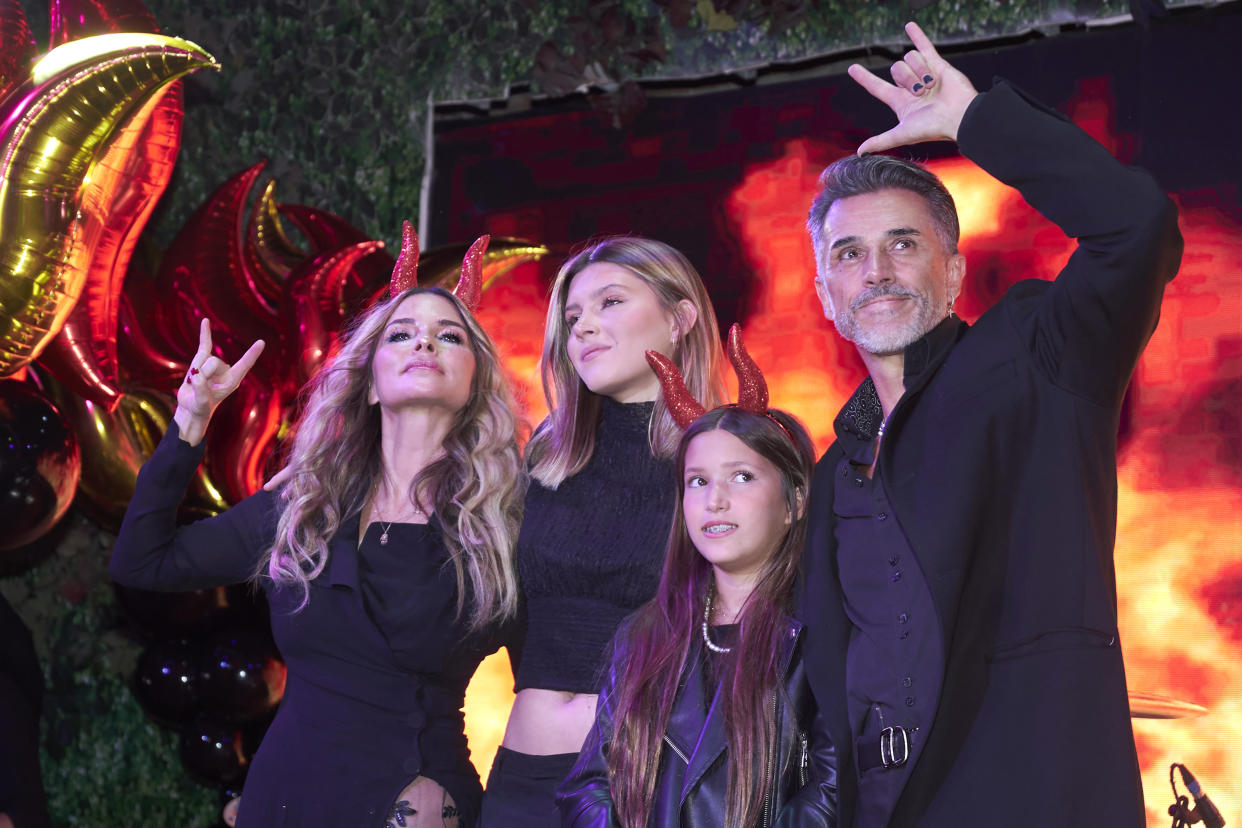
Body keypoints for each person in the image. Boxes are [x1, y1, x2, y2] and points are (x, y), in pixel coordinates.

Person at [795, 22, 1183, 828]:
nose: (877, 272)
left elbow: (1134, 226)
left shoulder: (1040, 358)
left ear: (954, 269)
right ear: (828, 295)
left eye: (903, 244)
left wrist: (973, 120)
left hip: (1032, 796)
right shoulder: (833, 470)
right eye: (849, 255)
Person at [110, 228, 525, 828]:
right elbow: (140, 562)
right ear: (371, 384)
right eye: (401, 334)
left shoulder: (504, 528)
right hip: (288, 799)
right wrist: (189, 424)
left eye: (449, 335)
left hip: (418, 807)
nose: (424, 344)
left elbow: (552, 685)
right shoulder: (303, 511)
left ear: (475, 383)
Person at [479, 237, 726, 825]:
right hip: (523, 777)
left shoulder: (723, 461)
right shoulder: (540, 463)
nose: (584, 327)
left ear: (680, 317)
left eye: (610, 302)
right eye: (572, 317)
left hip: (649, 781)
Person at [556, 327, 836, 828]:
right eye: (698, 481)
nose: (715, 500)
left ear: (795, 501)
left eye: (742, 477)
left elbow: (835, 793)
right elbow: (588, 786)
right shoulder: (645, 634)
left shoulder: (825, 631)